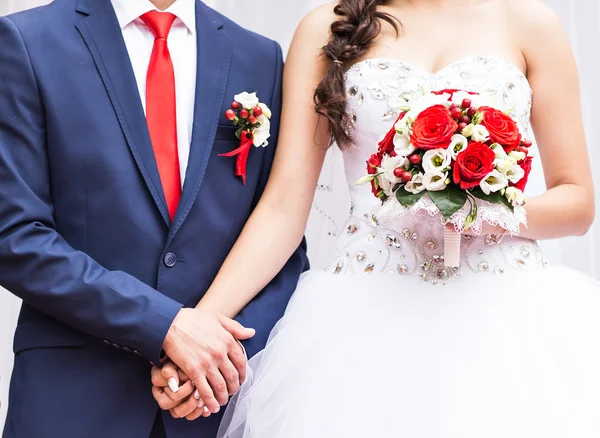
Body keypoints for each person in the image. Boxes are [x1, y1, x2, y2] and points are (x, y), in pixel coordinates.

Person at [150, 0, 600, 436]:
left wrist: (482, 212)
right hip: (365, 313)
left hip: (508, 317)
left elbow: (576, 201)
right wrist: (198, 328)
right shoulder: (326, 28)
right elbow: (284, 205)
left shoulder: (529, 22)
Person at [0, 0, 308, 437]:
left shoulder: (259, 56)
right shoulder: (27, 41)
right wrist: (163, 325)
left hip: (212, 408)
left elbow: (281, 246)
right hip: (75, 400)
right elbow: (14, 236)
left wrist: (220, 360)